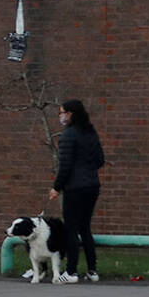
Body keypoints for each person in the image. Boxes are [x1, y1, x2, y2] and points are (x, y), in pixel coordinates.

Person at [48, 98, 104, 283]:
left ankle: (71, 272)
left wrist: (56, 187)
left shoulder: (68, 135)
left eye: (62, 112)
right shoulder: (90, 132)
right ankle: (92, 270)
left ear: (70, 114)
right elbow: (100, 160)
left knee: (71, 228)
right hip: (92, 186)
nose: (61, 116)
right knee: (85, 228)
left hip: (74, 187)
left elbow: (65, 165)